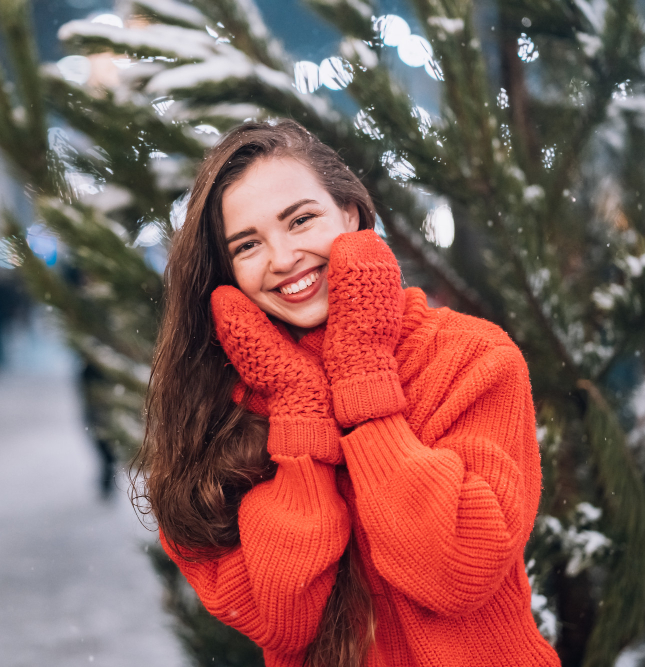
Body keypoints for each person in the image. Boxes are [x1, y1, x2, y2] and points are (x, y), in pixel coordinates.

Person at [134, 119, 561, 667]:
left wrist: (363, 376)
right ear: (228, 272)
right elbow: (282, 620)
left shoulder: (471, 357)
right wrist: (298, 412)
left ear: (351, 213)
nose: (283, 258)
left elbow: (458, 570)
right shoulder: (220, 410)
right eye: (248, 244)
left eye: (301, 220)